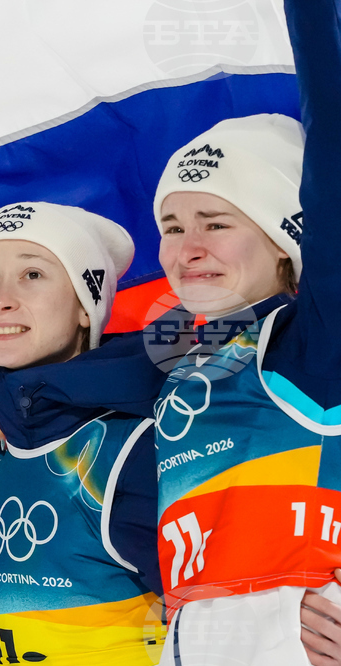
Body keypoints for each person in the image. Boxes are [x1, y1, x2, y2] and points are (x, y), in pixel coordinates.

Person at [150, 0, 341, 662]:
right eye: (172, 228)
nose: (188, 247)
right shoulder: (187, 373)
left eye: (216, 222)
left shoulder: (315, 347)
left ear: (289, 236)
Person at [0, 202, 167, 664]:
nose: (2, 299)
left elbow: (223, 614)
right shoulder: (0, 437)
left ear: (84, 307)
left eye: (33, 274)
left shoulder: (134, 448)